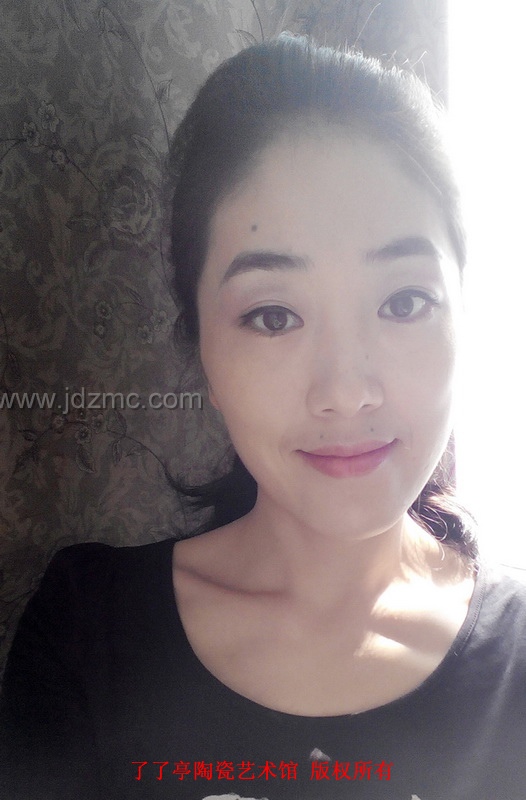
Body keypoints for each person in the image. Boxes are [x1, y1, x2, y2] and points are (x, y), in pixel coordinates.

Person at [1, 33, 526, 800]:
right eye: (274, 316)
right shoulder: (88, 634)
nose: (345, 391)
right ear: (203, 351)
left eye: (405, 301)